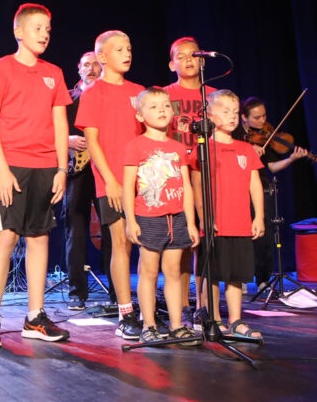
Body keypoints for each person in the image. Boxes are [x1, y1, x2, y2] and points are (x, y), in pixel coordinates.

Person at [0, 3, 71, 349]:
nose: (45, 34)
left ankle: (35, 317)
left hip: (46, 165)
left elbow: (60, 124)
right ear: (19, 32)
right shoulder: (1, 68)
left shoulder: (54, 73)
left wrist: (62, 168)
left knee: (39, 236)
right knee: (6, 235)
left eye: (48, 29)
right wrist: (2, 169)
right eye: (37, 28)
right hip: (12, 164)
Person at [75, 30, 145, 340]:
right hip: (112, 181)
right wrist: (111, 181)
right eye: (119, 49)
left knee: (149, 245)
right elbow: (92, 142)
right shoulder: (94, 93)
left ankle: (147, 309)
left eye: (129, 48)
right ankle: (125, 312)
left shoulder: (139, 91)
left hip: (144, 181)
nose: (127, 53)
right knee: (121, 243)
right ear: (102, 57)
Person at [123, 87, 200, 344]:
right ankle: (149, 325)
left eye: (166, 106)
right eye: (154, 107)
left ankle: (177, 325)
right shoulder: (135, 145)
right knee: (149, 272)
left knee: (174, 272)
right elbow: (128, 186)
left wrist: (190, 223)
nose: (162, 111)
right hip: (149, 218)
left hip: (176, 218)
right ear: (140, 115)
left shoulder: (178, 148)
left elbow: (186, 186)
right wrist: (131, 221)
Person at [190, 90, 265, 339]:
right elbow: (197, 186)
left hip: (240, 223)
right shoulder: (204, 149)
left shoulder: (246, 149)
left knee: (236, 276)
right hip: (216, 224)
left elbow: (255, 184)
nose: (232, 117)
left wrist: (259, 216)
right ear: (210, 115)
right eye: (225, 111)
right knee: (213, 274)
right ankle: (214, 319)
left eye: (235, 112)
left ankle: (236, 320)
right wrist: (204, 217)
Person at [164, 36, 215, 327]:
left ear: (203, 60)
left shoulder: (214, 95)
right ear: (172, 64)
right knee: (182, 241)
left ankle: (203, 304)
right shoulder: (165, 94)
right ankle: (182, 303)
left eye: (194, 55)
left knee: (206, 239)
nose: (188, 60)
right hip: (175, 174)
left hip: (207, 174)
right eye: (181, 56)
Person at [240, 97, 309, 294]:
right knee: (241, 235)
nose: (262, 121)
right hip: (238, 187)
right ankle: (241, 278)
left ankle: (263, 279)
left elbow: (271, 166)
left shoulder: (265, 138)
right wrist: (247, 151)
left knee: (264, 234)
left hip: (261, 186)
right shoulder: (235, 135)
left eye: (264, 116)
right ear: (244, 117)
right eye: (257, 117)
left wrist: (291, 159)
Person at [62, 51, 113, 310]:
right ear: (79, 69)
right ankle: (76, 292)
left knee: (113, 228)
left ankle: (117, 292)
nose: (91, 69)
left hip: (105, 166)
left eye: (96, 64)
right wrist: (67, 140)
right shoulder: (66, 97)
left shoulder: (109, 95)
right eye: (86, 65)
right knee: (75, 228)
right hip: (77, 168)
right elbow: (49, 127)